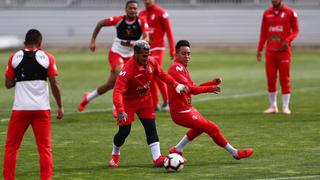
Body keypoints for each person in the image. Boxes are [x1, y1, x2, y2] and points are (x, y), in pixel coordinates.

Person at [167, 40, 253, 161]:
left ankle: (177, 149)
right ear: (176, 54)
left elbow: (194, 86)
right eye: (183, 54)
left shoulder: (182, 68)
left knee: (200, 127)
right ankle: (235, 153)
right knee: (211, 127)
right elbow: (191, 90)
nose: (187, 57)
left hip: (186, 108)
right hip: (181, 112)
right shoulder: (176, 69)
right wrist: (210, 88)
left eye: (189, 54)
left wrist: (212, 83)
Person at [109, 40, 187, 168]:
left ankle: (157, 158)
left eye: (148, 54)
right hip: (128, 103)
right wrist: (120, 110)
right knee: (124, 132)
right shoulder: (127, 70)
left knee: (150, 127)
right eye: (144, 55)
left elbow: (162, 74)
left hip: (145, 100)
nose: (147, 58)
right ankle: (115, 153)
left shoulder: (151, 61)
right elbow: (117, 91)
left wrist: (176, 84)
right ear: (136, 54)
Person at [3, 29, 63, 180]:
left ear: (24, 43)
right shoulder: (47, 57)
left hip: (20, 110)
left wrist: (20, 77)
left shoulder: (14, 57)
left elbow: (8, 84)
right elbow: (55, 84)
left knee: (11, 148)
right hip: (41, 110)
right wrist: (60, 106)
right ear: (40, 43)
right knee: (44, 149)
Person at [78, 0, 149, 114]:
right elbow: (100, 23)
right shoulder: (119, 20)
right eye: (130, 8)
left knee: (110, 85)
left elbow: (147, 38)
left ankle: (87, 98)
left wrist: (136, 43)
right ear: (126, 10)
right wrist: (93, 41)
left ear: (137, 10)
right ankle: (116, 107)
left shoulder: (141, 21)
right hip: (116, 53)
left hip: (131, 56)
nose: (133, 10)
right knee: (122, 77)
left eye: (135, 8)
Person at [257, 0, 299, 114]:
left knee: (284, 79)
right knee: (271, 79)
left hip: (284, 51)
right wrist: (260, 49)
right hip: (270, 51)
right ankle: (273, 106)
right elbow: (263, 33)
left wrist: (288, 40)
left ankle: (286, 107)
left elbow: (296, 31)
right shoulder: (266, 13)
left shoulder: (290, 12)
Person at [139, 0, 175, 112]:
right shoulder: (141, 14)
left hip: (158, 47)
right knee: (149, 74)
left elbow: (169, 31)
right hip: (146, 48)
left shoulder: (161, 12)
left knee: (157, 73)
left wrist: (172, 49)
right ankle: (155, 103)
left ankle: (166, 100)